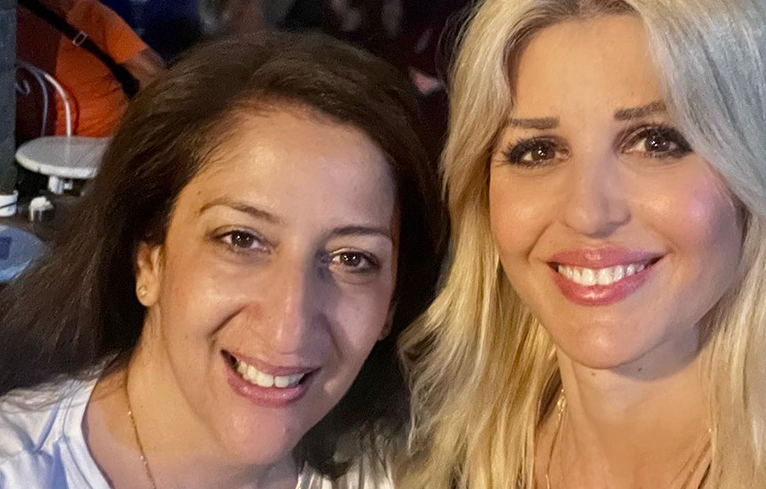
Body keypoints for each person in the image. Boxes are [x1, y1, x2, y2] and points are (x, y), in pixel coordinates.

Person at [397, 0, 766, 488]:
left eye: (656, 142)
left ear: (753, 170)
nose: (588, 213)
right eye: (538, 151)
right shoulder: (450, 448)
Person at [0, 32, 444, 489]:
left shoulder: (410, 472)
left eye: (352, 258)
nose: (288, 326)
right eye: (242, 239)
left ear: (392, 304)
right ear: (148, 258)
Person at [16, 0, 164, 140]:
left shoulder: (7, 28)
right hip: (105, 138)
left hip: (33, 145)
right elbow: (153, 72)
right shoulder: (88, 13)